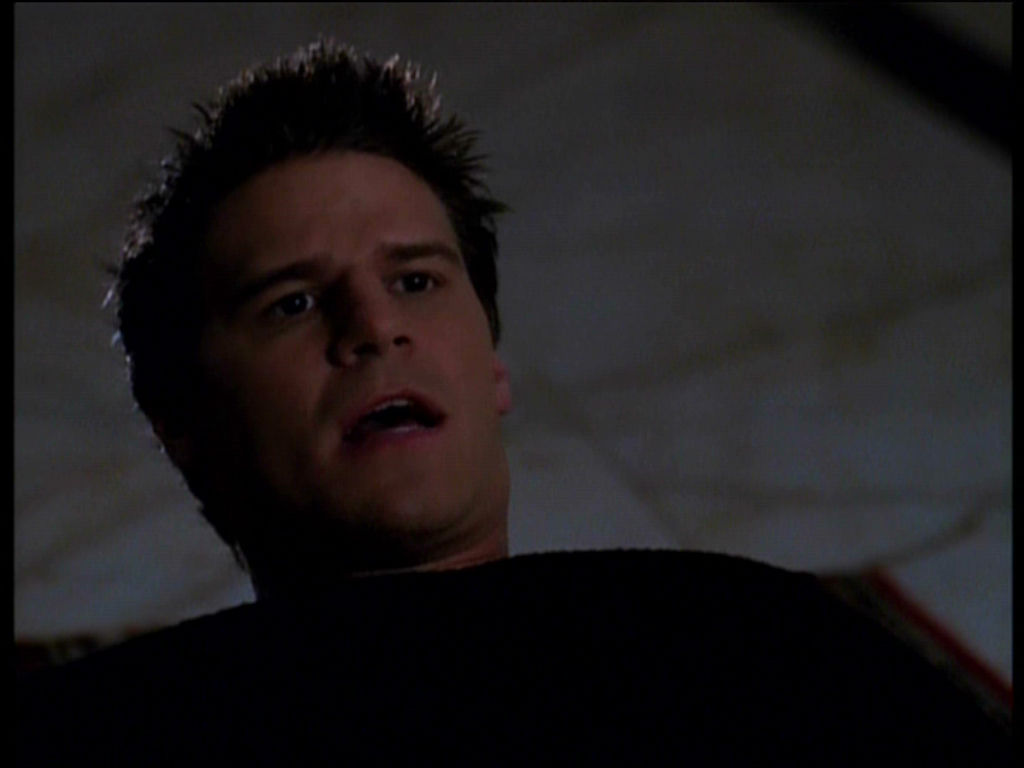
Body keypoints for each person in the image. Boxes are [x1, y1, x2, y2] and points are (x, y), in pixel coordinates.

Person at [17, 41, 1010, 765]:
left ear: (491, 369)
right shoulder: (99, 733)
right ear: (185, 429)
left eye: (415, 280)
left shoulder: (755, 643)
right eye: (293, 303)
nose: (374, 326)